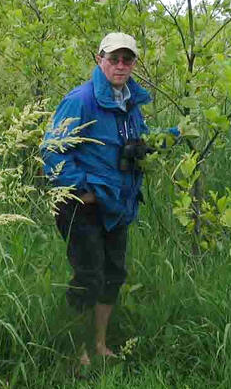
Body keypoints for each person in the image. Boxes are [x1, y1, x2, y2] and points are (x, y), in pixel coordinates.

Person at [42, 31, 160, 368]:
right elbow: (51, 150)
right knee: (89, 276)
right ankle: (78, 350)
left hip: (118, 203)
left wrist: (152, 144)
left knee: (113, 274)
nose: (121, 65)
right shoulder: (80, 100)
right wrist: (81, 190)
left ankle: (100, 344)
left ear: (134, 63)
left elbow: (138, 138)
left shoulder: (131, 102)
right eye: (114, 58)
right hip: (83, 206)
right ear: (100, 60)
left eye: (128, 59)